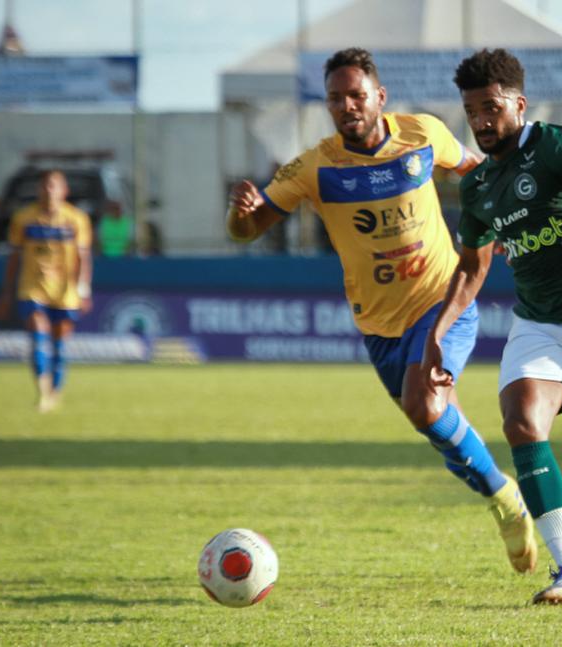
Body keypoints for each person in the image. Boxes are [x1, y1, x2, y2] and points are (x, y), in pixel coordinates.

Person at [225, 48, 537, 575]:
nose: (346, 106)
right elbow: (247, 231)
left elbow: (478, 170)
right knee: (436, 422)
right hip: (378, 323)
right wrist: (240, 216)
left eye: (356, 95)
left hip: (443, 298)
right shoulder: (313, 168)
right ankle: (496, 491)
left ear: (379, 98)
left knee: (424, 406)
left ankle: (507, 498)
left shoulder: (422, 135)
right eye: (335, 99)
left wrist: (504, 222)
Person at [424, 48, 562, 606]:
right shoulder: (476, 188)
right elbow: (474, 267)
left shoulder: (552, 145)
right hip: (539, 322)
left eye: (491, 108)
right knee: (521, 421)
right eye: (471, 110)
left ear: (518, 104)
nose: (480, 120)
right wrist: (438, 332)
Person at [0, 170, 92, 412]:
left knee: (60, 343)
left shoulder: (76, 219)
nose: (48, 190)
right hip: (32, 286)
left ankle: (54, 392)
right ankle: (42, 391)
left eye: (54, 186)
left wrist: (83, 289)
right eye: (45, 186)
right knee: (38, 332)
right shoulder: (24, 219)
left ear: (64, 191)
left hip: (65, 289)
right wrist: (8, 291)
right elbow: (14, 257)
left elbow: (83, 257)